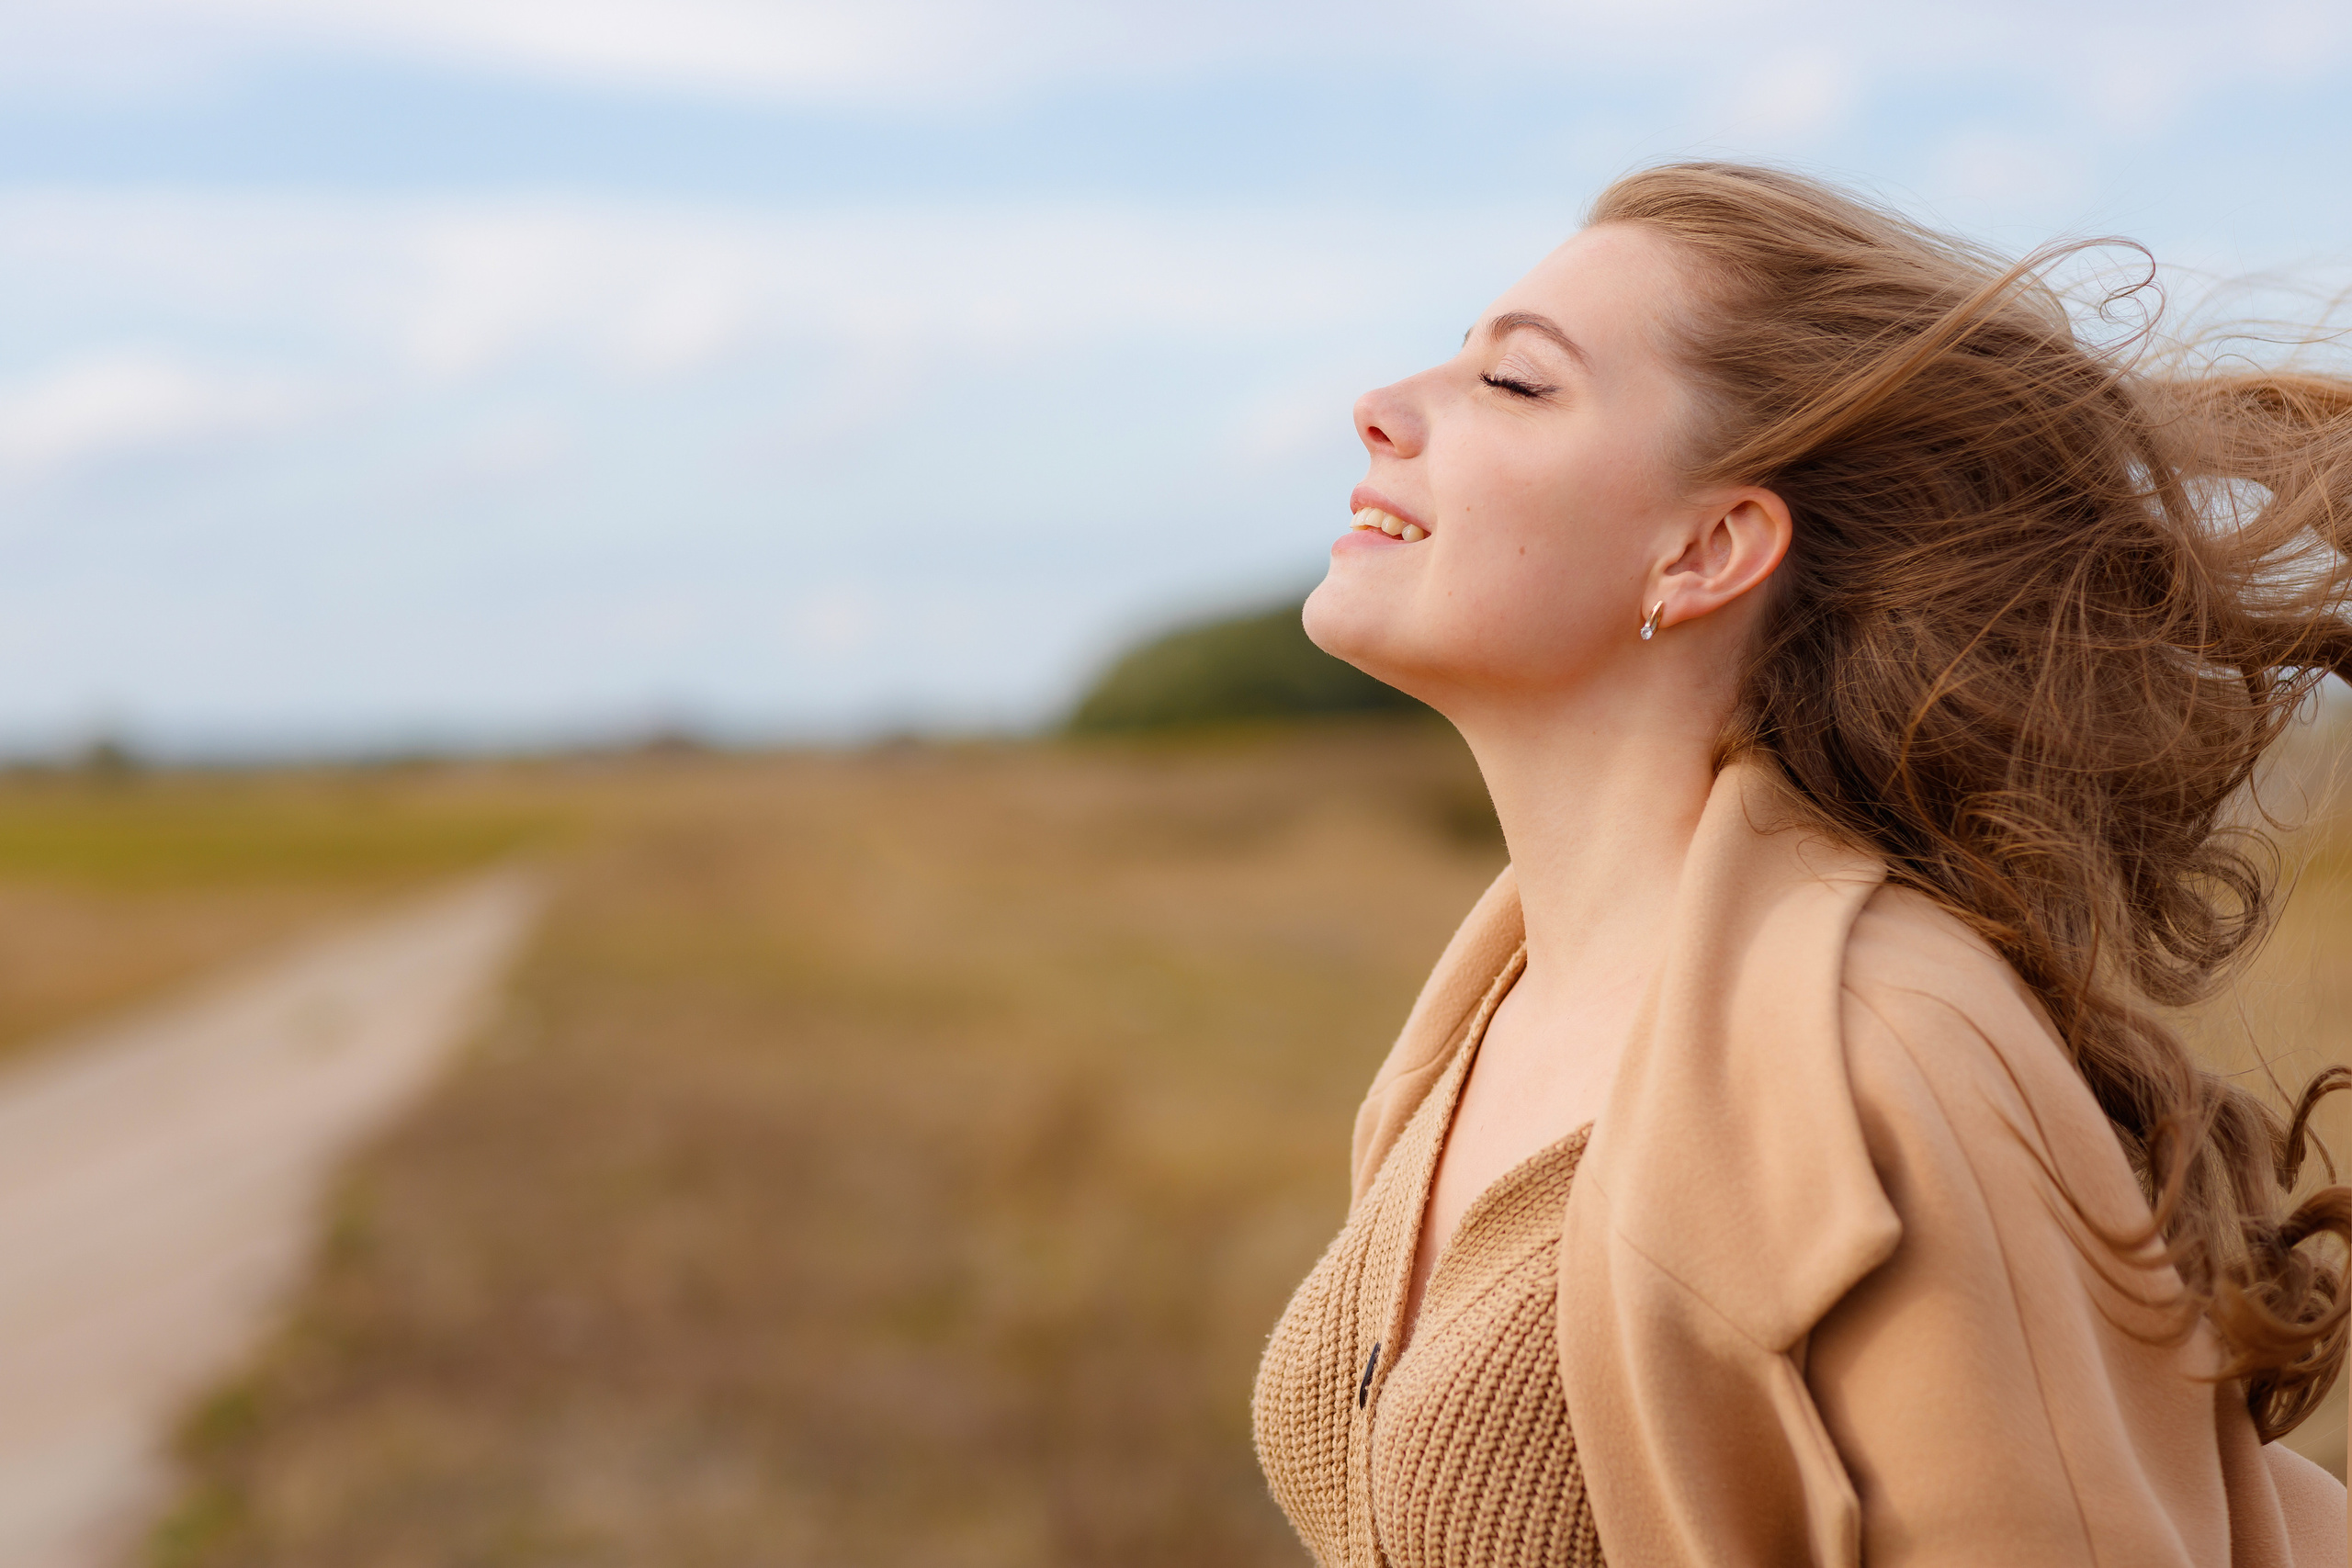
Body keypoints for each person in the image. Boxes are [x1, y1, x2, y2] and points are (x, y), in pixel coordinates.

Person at [1250, 163, 2350, 1568]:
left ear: (1708, 550)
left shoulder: (1888, 1046)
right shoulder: (1492, 1000)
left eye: (1514, 382)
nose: (1381, 405)